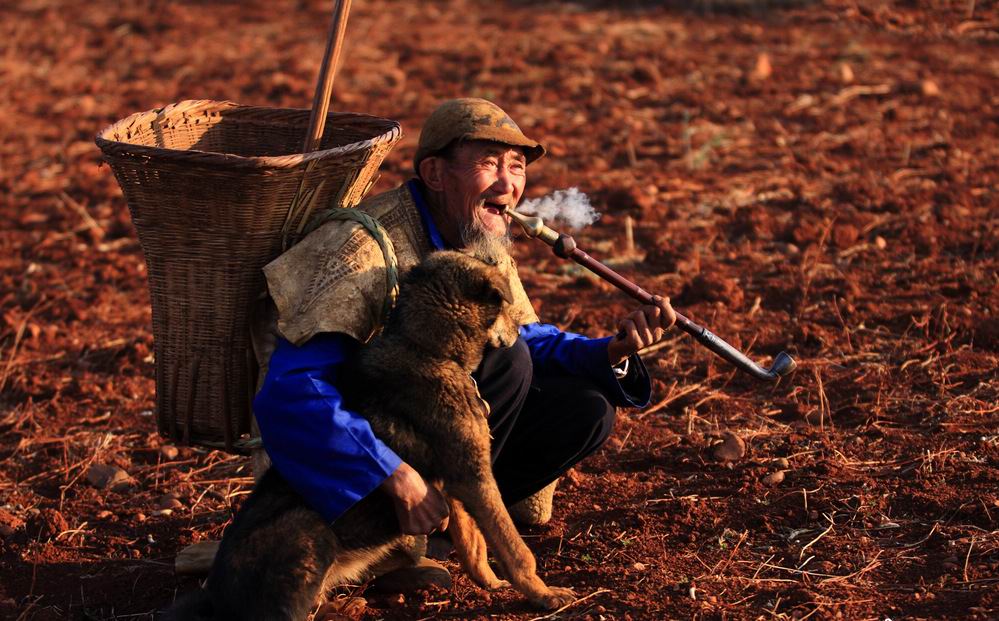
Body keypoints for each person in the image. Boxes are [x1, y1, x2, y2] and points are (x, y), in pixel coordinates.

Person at [252, 98, 676, 588]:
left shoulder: (479, 235)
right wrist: (391, 475)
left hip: (433, 429)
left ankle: (452, 528)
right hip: (359, 464)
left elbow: (518, 333)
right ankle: (392, 540)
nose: (508, 183)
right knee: (508, 365)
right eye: (488, 163)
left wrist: (609, 352)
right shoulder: (362, 245)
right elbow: (294, 390)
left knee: (586, 410)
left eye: (516, 167)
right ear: (435, 173)